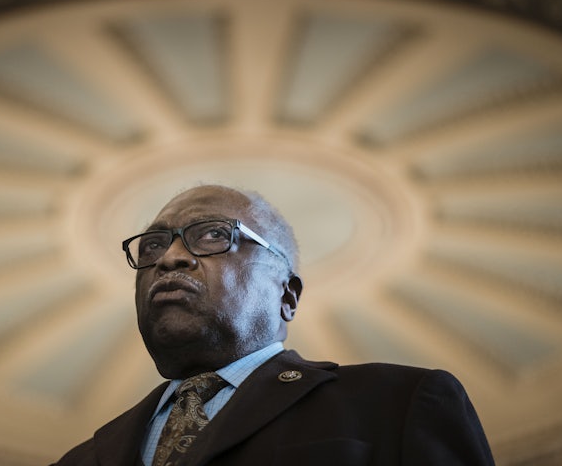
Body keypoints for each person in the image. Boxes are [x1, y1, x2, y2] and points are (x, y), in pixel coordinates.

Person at [52, 184, 495, 466]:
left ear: (287, 295)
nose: (168, 257)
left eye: (212, 235)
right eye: (151, 245)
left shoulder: (399, 403)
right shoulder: (80, 459)